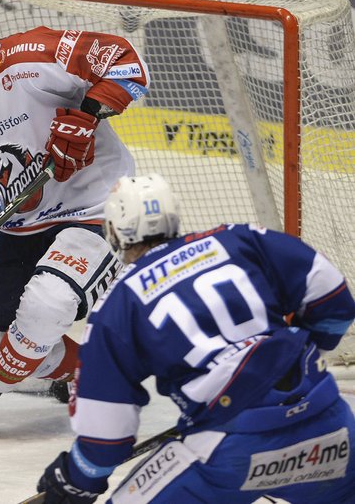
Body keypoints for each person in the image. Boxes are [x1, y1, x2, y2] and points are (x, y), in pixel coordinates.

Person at [0, 5, 150, 437]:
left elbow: (128, 63)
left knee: (46, 306)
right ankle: (87, 370)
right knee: (8, 344)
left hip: (93, 206)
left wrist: (89, 114)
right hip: (22, 221)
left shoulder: (35, 53)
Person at [36, 174, 355, 503]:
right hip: (330, 423)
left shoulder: (117, 304)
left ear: (115, 231)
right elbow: (335, 300)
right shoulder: (240, 239)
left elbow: (105, 437)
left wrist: (76, 479)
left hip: (234, 446)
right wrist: (303, 354)